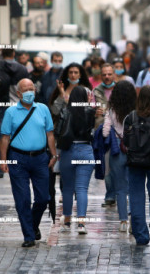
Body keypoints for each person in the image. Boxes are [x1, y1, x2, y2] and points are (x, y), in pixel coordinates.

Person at [0, 78, 57, 247]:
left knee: (43, 198)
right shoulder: (11, 112)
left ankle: (32, 225)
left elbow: (50, 134)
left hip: (40, 159)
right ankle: (29, 236)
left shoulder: (43, 109)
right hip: (18, 159)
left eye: (31, 88)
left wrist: (54, 155)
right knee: (23, 199)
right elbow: (4, 138)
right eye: (25, 89)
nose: (29, 92)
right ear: (18, 94)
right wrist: (3, 161)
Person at [123, 85, 150, 245]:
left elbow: (126, 140)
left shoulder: (130, 117)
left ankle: (141, 235)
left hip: (134, 161)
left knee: (136, 196)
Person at [59, 86, 95, 234]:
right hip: (86, 150)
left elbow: (58, 131)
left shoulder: (65, 112)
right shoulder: (90, 112)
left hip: (68, 151)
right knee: (82, 189)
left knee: (67, 188)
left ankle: (67, 221)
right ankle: (81, 223)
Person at [103, 81, 136, 231]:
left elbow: (104, 132)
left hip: (116, 150)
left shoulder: (110, 111)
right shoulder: (136, 111)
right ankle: (134, 218)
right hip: (133, 149)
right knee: (134, 186)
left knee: (120, 189)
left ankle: (123, 221)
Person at [93, 63, 117, 206]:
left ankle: (121, 192)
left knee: (119, 164)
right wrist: (94, 112)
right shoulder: (96, 91)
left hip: (119, 131)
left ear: (114, 74)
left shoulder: (120, 89)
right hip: (104, 132)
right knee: (107, 164)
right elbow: (89, 110)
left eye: (109, 74)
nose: (107, 77)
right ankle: (110, 195)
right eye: (104, 74)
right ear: (101, 76)